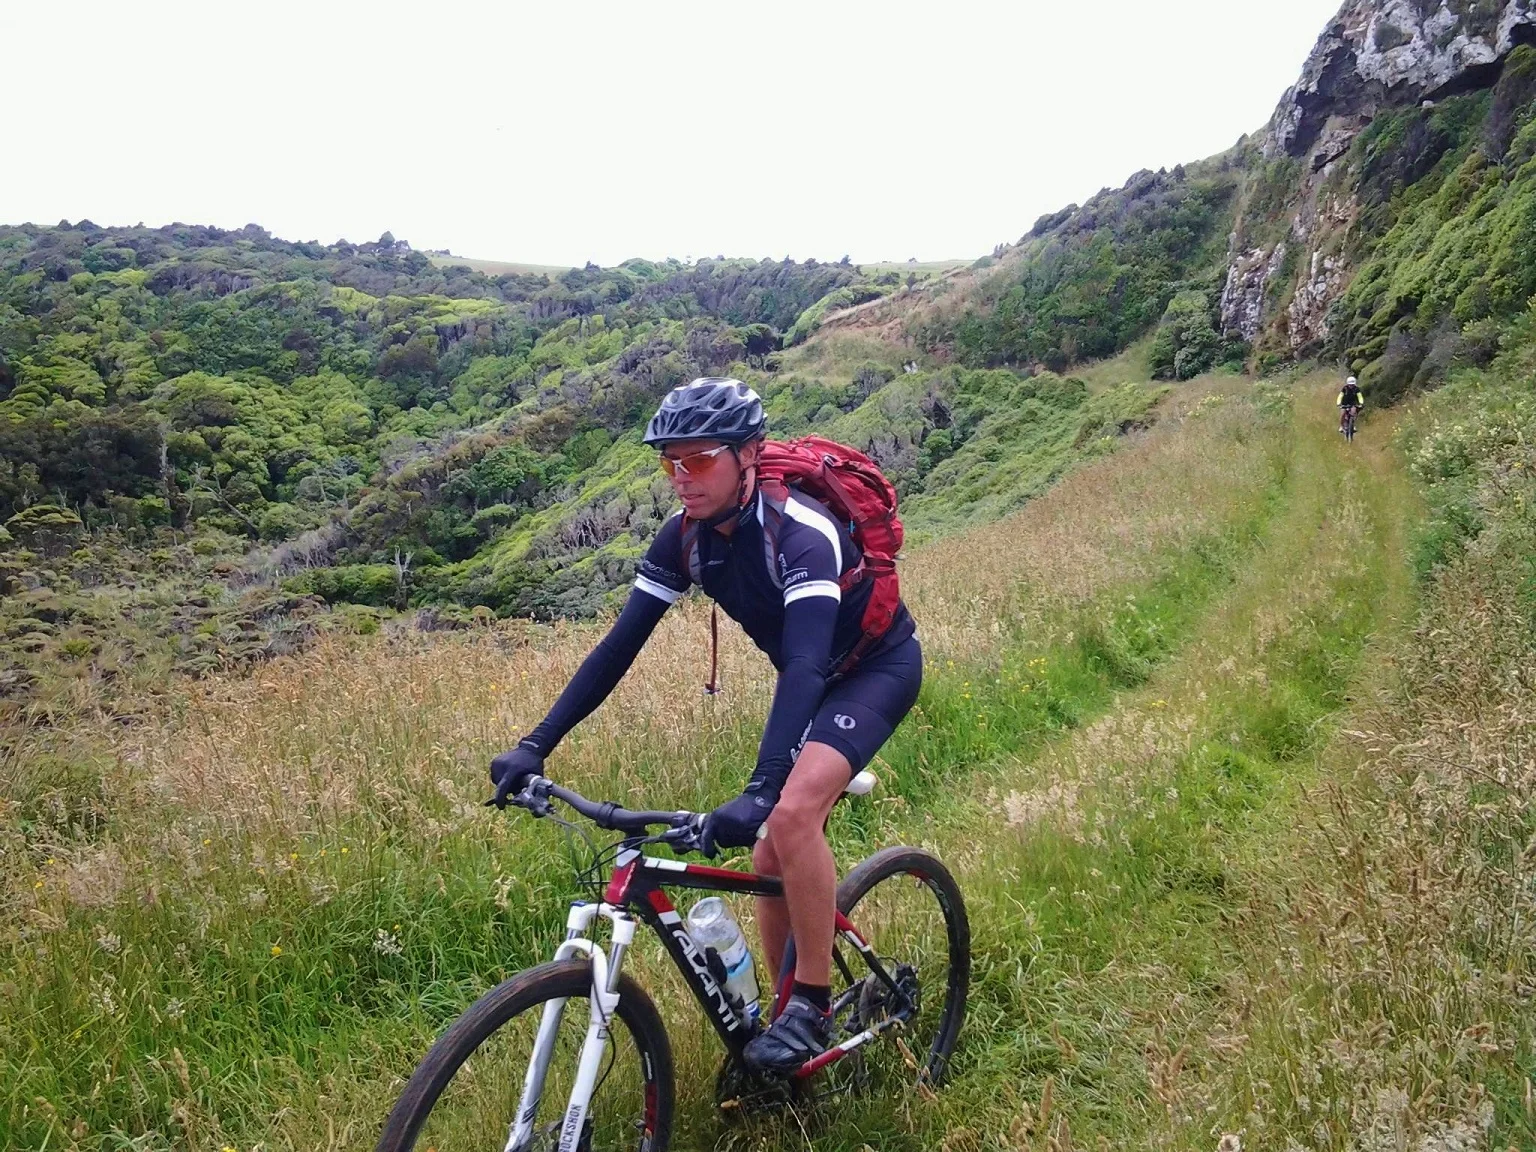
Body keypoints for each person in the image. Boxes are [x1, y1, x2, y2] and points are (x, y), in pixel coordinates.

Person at [488, 377, 922, 1074]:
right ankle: (782, 1016)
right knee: (764, 861)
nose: (681, 478)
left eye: (698, 460)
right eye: (670, 463)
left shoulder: (800, 533)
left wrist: (763, 787)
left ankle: (809, 1002)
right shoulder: (687, 540)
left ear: (748, 456)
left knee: (788, 815)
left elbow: (807, 666)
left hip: (873, 670)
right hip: (812, 678)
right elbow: (617, 649)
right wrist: (535, 744)